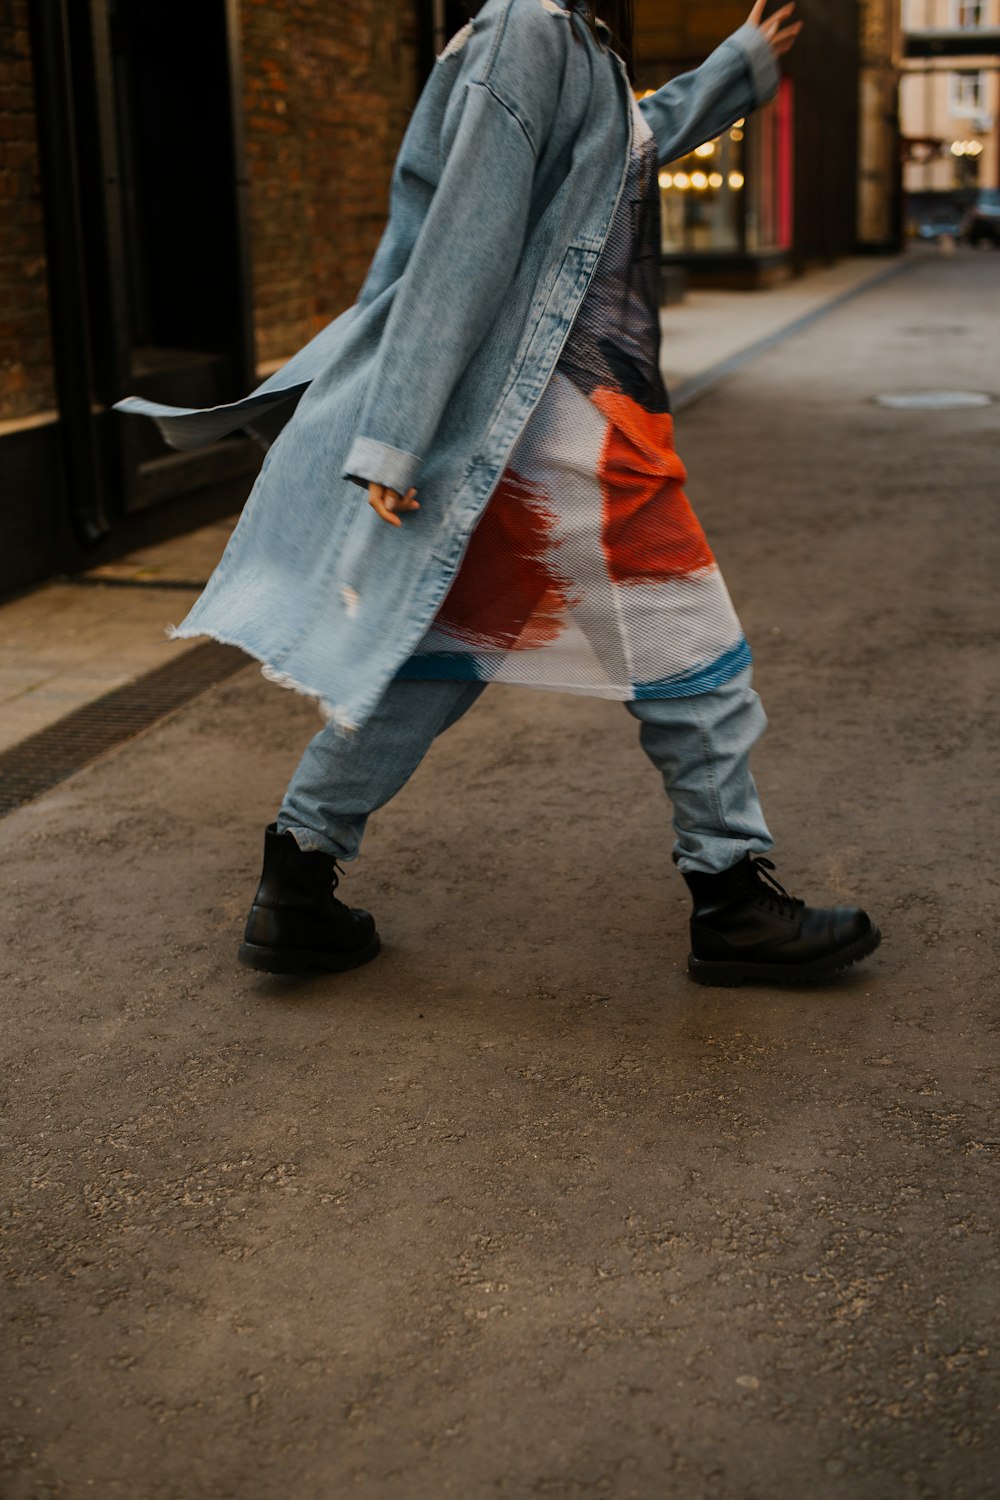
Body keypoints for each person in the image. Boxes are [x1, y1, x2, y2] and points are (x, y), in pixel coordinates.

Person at [115, 0, 881, 987]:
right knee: (691, 648)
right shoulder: (531, 29)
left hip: (521, 422)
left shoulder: (554, 38)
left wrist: (735, 67)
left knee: (436, 658)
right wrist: (394, 440)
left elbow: (618, 150)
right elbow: (461, 246)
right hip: (563, 421)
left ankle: (297, 881)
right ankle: (730, 898)